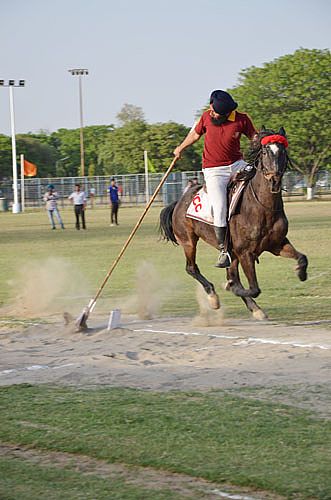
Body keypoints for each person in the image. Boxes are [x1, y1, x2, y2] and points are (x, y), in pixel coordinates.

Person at [173, 89, 257, 268]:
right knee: (219, 208)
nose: (217, 115)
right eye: (216, 111)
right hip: (214, 170)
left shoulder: (242, 119)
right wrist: (180, 148)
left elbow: (254, 138)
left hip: (236, 164)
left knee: (259, 178)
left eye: (221, 113)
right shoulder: (205, 117)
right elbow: (195, 135)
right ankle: (224, 250)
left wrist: (265, 142)